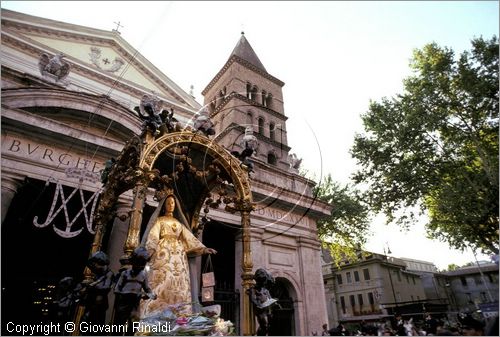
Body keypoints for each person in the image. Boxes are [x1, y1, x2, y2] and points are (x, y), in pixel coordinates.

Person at [139, 194, 217, 318]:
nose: (171, 205)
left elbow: (189, 239)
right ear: (164, 205)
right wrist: (148, 252)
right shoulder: (160, 221)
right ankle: (155, 313)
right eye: (168, 203)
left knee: (180, 284)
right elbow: (153, 237)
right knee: (162, 280)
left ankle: (181, 316)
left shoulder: (179, 224)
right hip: (163, 253)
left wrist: (203, 249)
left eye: (173, 203)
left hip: (179, 256)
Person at [114, 246, 156, 332]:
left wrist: (151, 294)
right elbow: (117, 288)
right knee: (119, 324)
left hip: (135, 302)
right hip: (124, 301)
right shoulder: (125, 273)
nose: (141, 267)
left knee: (134, 323)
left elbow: (147, 288)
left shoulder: (143, 275)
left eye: (143, 265)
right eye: (138, 264)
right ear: (133, 261)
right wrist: (119, 300)